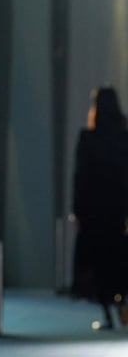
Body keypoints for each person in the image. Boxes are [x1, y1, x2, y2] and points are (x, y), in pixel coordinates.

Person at [72, 86, 128, 328]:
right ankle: (121, 304)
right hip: (118, 208)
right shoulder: (123, 137)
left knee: (99, 261)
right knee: (119, 256)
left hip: (94, 210)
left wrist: (77, 210)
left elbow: (80, 177)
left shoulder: (88, 138)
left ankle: (107, 312)